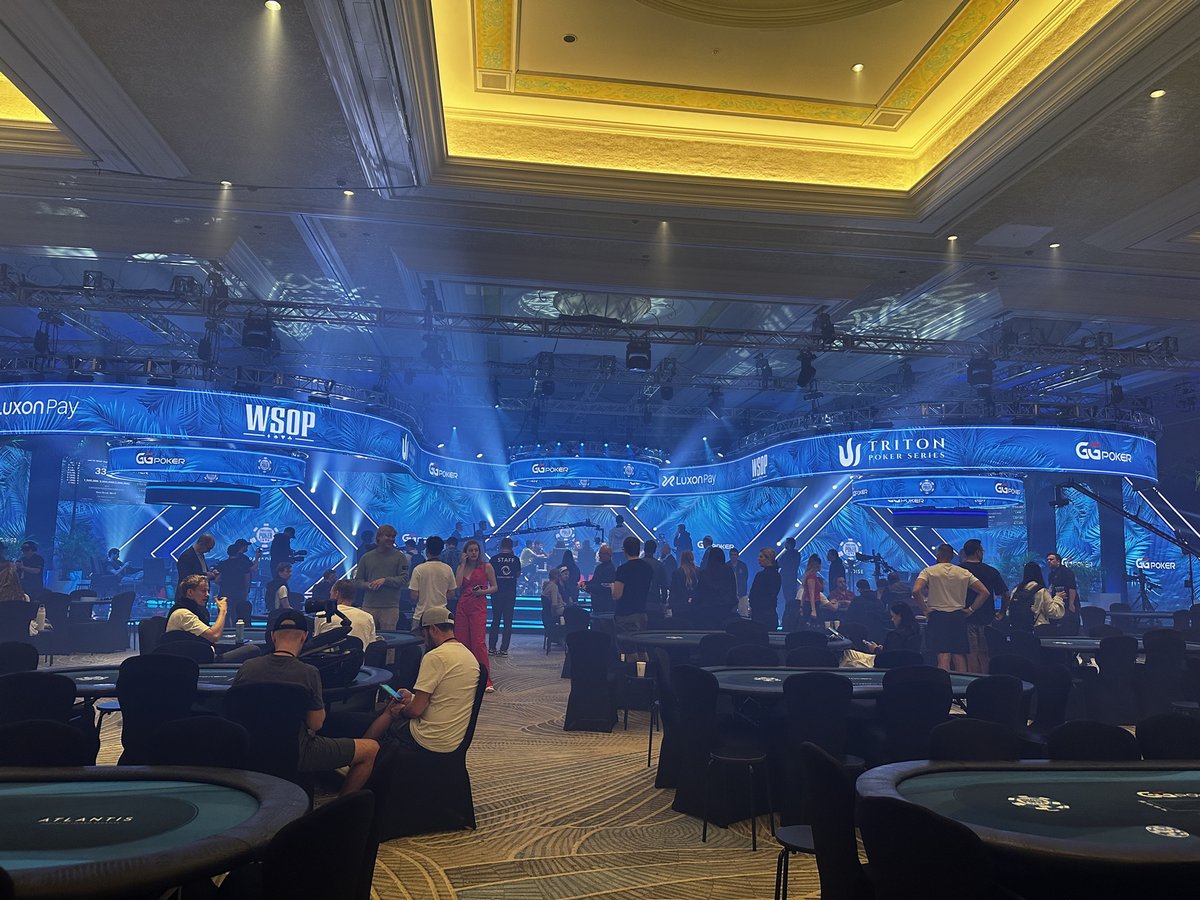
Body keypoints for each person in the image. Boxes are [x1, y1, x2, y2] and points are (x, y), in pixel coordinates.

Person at [233, 609, 378, 795]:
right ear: (304, 637)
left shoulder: (248, 667)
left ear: (273, 636)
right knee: (371, 749)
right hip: (296, 750)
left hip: (249, 748)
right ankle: (341, 807)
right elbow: (316, 724)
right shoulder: (308, 672)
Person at [362, 606, 481, 754]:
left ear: (433, 629)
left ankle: (361, 753)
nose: (424, 640)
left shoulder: (435, 656)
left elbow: (415, 710)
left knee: (391, 710)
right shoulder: (468, 656)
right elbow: (444, 697)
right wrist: (412, 697)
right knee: (398, 705)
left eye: (424, 634)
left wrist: (401, 711)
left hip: (429, 737)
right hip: (455, 737)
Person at [912, 544, 989, 672]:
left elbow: (916, 590)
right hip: (958, 616)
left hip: (938, 616)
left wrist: (925, 609)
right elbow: (984, 592)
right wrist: (971, 609)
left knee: (943, 655)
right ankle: (961, 682)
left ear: (938, 555)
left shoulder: (929, 571)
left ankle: (943, 681)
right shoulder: (963, 572)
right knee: (959, 655)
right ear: (952, 556)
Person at [165, 574, 260, 661]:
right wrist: (223, 611)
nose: (207, 594)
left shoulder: (195, 610)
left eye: (208, 591)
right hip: (197, 660)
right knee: (252, 649)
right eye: (203, 591)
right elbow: (214, 636)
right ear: (190, 592)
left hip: (203, 654)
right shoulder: (183, 614)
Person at [958, 539, 1009, 673]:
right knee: (985, 654)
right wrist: (1002, 612)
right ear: (978, 552)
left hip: (965, 618)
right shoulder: (991, 571)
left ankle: (973, 680)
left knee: (970, 654)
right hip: (987, 618)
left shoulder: (958, 571)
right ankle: (986, 679)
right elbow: (1005, 594)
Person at [455, 539, 497, 693]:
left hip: (478, 605)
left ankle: (485, 680)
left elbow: (495, 587)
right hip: (463, 605)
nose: (473, 553)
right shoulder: (462, 567)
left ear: (479, 552)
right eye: (470, 550)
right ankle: (464, 677)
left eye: (476, 550)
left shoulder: (487, 566)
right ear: (466, 552)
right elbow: (457, 584)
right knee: (462, 642)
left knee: (478, 643)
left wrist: (483, 592)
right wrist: (462, 564)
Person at [353, 524, 409, 632]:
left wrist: (385, 580)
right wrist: (368, 585)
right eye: (388, 536)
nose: (391, 539)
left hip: (390, 607)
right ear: (379, 537)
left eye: (393, 537)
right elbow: (358, 581)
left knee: (390, 640)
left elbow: (404, 579)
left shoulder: (400, 557)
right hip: (369, 606)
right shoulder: (366, 557)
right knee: (367, 637)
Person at [408, 535, 457, 635]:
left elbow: (414, 596)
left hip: (421, 615)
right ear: (441, 550)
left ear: (426, 550)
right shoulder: (447, 569)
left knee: (418, 642)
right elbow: (451, 594)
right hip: (442, 615)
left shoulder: (418, 569)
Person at [314, 578, 377, 650]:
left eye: (331, 593)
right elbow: (371, 645)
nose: (330, 596)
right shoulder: (368, 617)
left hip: (327, 657)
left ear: (336, 594)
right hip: (359, 657)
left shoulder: (322, 615)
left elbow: (316, 643)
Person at [611, 535, 653, 633]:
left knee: (625, 642)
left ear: (625, 550)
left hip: (625, 615)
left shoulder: (623, 569)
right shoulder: (648, 568)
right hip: (642, 613)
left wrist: (612, 586)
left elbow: (617, 595)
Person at [488, 537, 521, 657]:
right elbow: (517, 574)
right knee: (508, 621)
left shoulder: (493, 559)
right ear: (511, 547)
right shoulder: (515, 559)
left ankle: (492, 648)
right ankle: (504, 649)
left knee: (495, 620)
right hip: (510, 593)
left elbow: (489, 575)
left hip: (496, 592)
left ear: (501, 546)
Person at [692, 546, 736, 627]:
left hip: (707, 612)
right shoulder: (729, 571)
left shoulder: (704, 573)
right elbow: (733, 590)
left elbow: (700, 593)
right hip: (725, 610)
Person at [219, 539, 260, 625]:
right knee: (237, 613)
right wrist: (257, 558)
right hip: (238, 592)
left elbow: (217, 579)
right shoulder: (242, 561)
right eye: (246, 545)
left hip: (225, 592)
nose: (247, 547)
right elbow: (250, 572)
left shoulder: (224, 564)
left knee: (225, 615)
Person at [748, 547, 780, 630]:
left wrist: (752, 607)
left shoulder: (761, 575)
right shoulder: (777, 575)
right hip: (771, 615)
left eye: (761, 557)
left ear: (768, 559)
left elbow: (754, 594)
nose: (758, 559)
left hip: (759, 615)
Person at [1046, 552, 1079, 633]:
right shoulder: (1051, 574)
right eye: (1047, 560)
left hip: (1068, 602)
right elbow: (1051, 587)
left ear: (1058, 561)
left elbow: (1072, 588)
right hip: (1057, 602)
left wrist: (1071, 603)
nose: (1049, 561)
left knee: (1069, 625)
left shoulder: (1066, 572)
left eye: (1051, 559)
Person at [669, 549, 698, 624]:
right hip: (695, 607)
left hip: (679, 607)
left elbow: (673, 591)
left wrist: (671, 605)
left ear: (681, 559)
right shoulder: (699, 572)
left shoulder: (677, 573)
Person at [587, 544, 616, 616]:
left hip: (604, 604)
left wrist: (588, 587)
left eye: (601, 553)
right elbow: (594, 581)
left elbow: (603, 586)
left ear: (608, 555)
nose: (599, 555)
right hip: (597, 602)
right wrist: (586, 584)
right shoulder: (599, 567)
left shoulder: (610, 569)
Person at [776, 537, 800, 623]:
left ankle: (788, 619)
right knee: (790, 599)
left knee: (788, 599)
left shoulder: (788, 554)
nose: (784, 545)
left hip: (787, 580)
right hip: (791, 579)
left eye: (786, 543)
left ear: (789, 544)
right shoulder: (797, 554)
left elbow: (780, 564)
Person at [643, 539, 667, 618]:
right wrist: (664, 602)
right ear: (654, 550)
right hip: (654, 601)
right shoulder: (659, 565)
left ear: (644, 549)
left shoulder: (637, 564)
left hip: (639, 601)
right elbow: (664, 585)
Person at [728, 547, 749, 616]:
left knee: (743, 614)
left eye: (734, 555)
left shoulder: (742, 565)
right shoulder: (726, 566)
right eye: (731, 555)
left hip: (742, 594)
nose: (733, 556)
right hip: (730, 595)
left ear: (738, 555)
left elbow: (745, 577)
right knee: (730, 614)